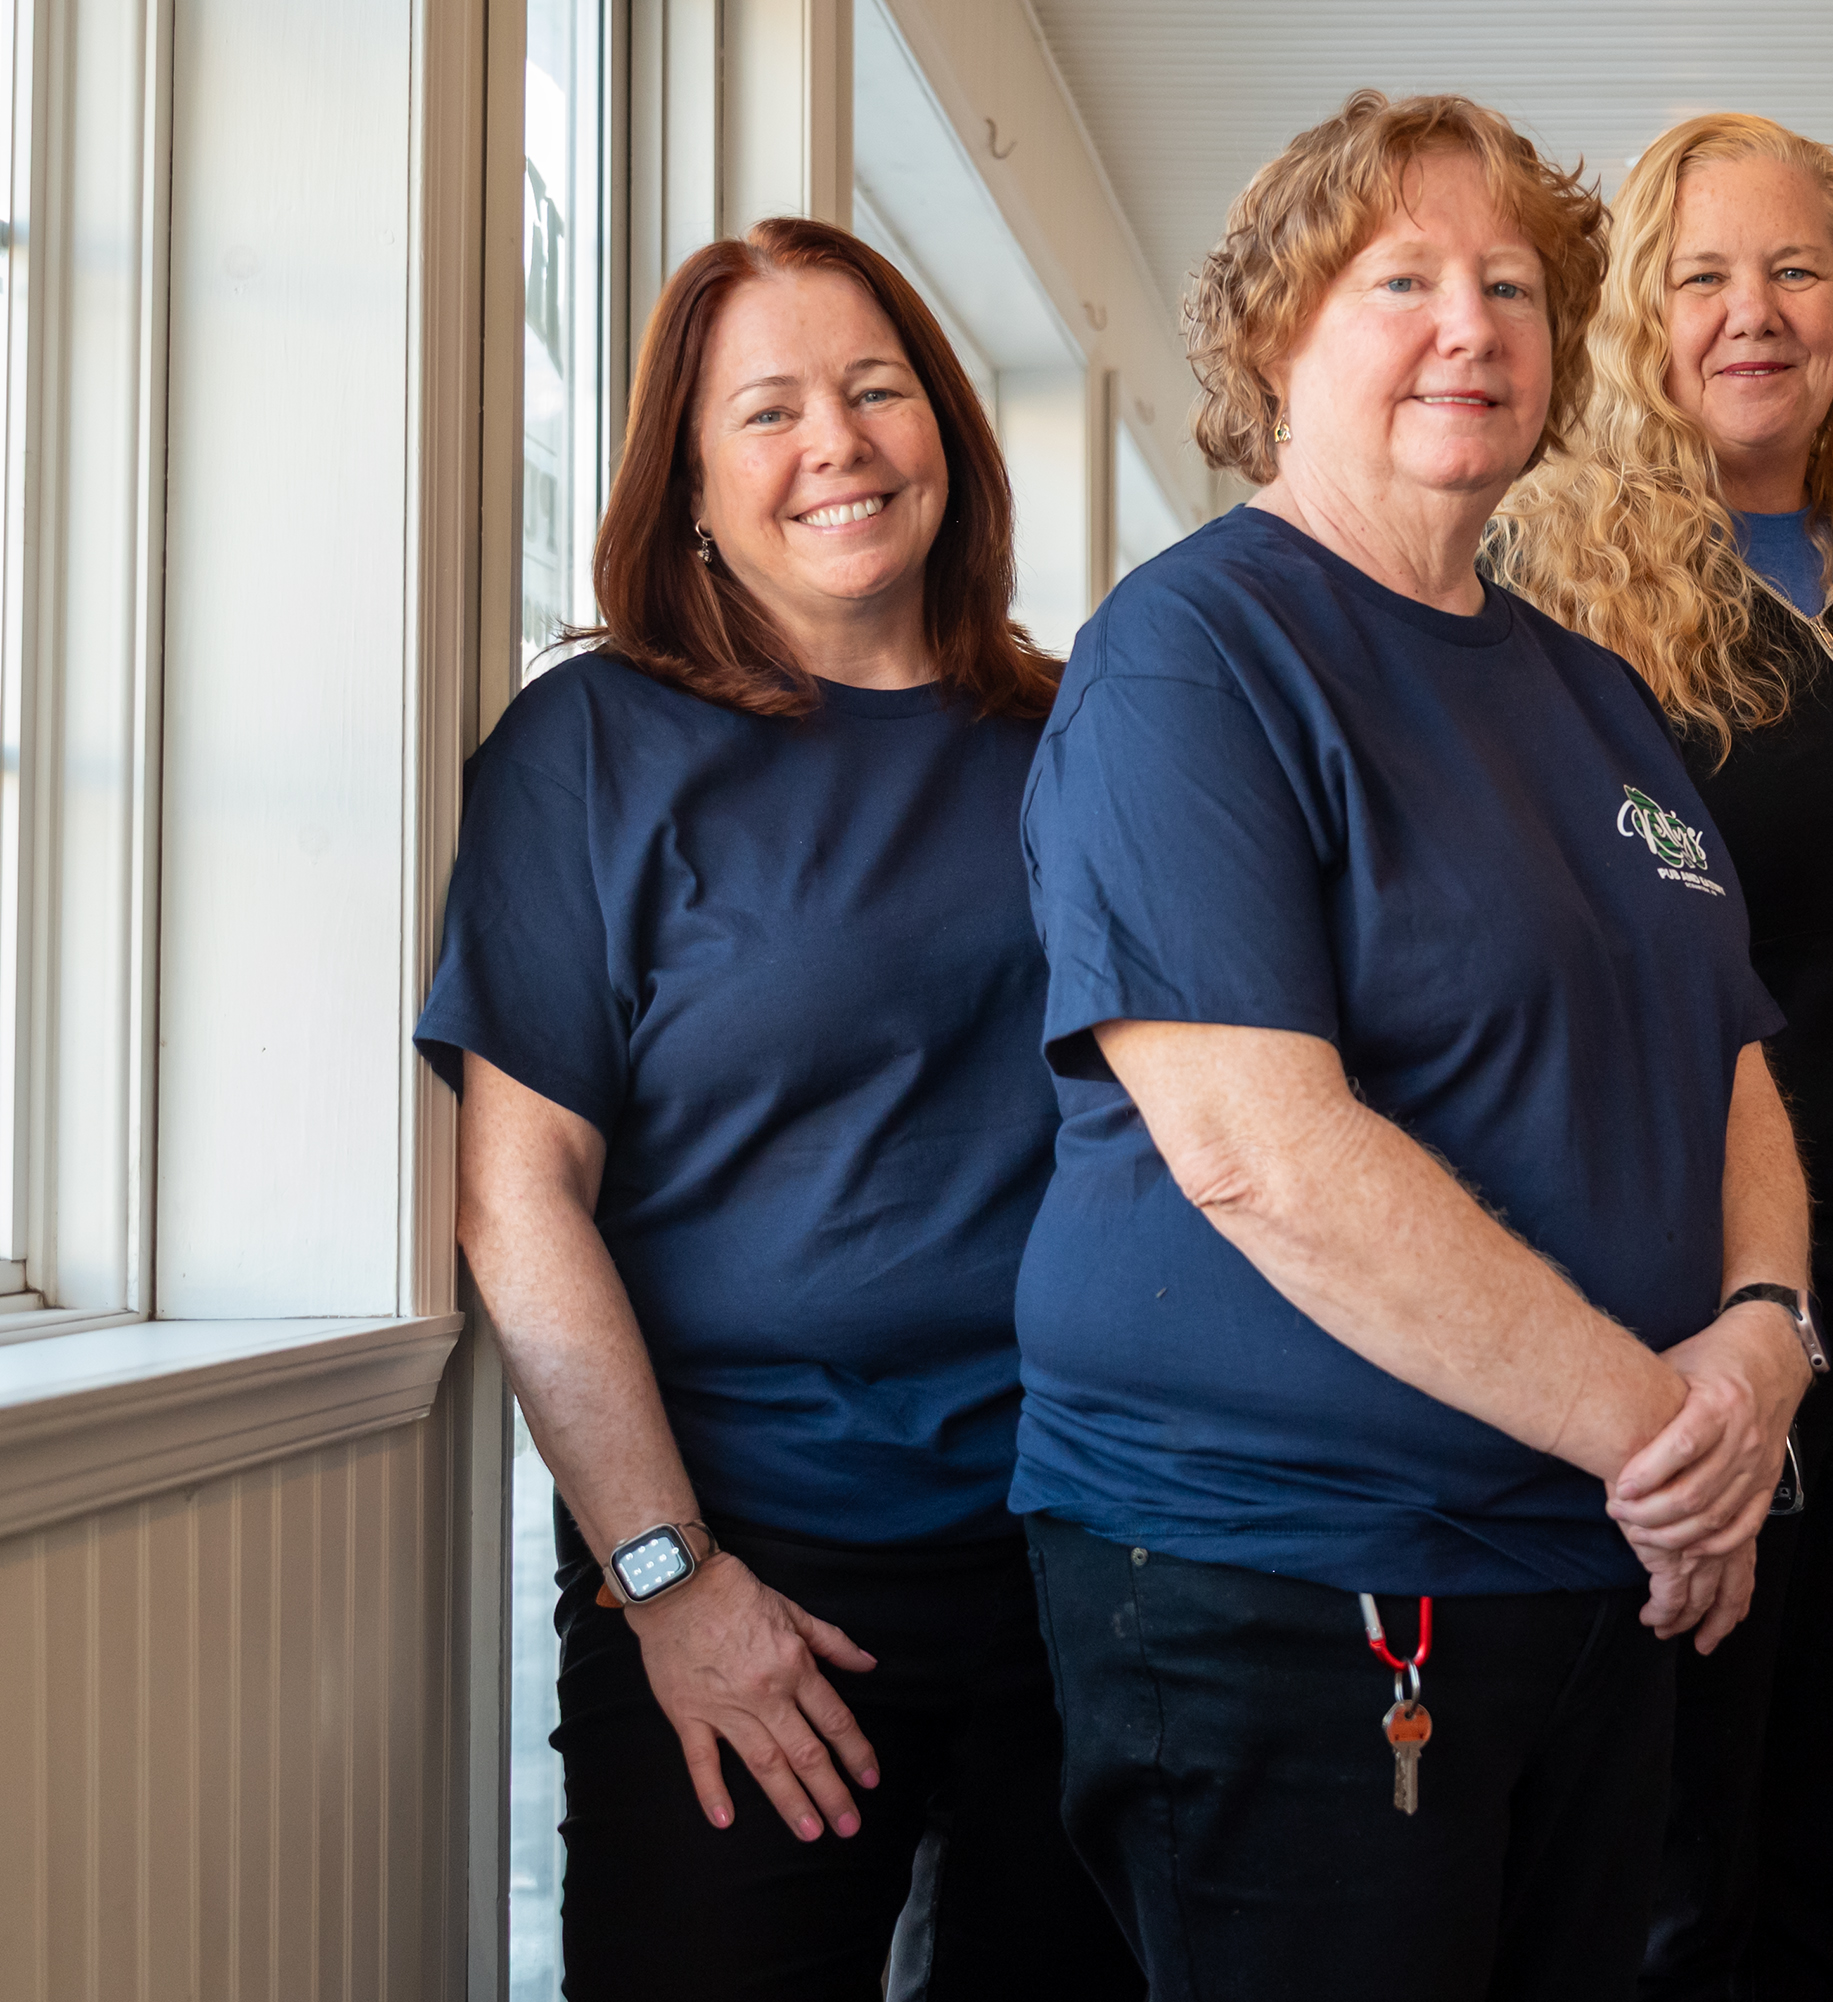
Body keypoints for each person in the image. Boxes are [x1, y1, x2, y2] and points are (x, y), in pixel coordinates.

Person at [1012, 90, 1818, 2002]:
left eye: (1515, 286)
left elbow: (1735, 1060)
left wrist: (1770, 1327)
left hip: (1583, 1563)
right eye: (1403, 281)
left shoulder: (1595, 695)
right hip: (1289, 1578)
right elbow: (1257, 1154)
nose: (1473, 325)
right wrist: (1669, 1441)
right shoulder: (1191, 657)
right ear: (1279, 338)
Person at [418, 217, 1139, 2000]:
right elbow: (520, 1200)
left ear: (949, 438)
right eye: (769, 410)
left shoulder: (1088, 736)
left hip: (1091, 1549)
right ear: (687, 490)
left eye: (878, 388)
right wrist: (671, 1580)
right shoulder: (588, 750)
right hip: (763, 1566)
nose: (839, 441)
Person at [1495, 111, 1833, 2002]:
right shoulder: (1566, 610)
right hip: (1709, 1333)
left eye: (1795, 270)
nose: (1754, 312)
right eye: (1702, 275)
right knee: (1676, 1880)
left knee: (1825, 1877)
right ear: (1637, 322)